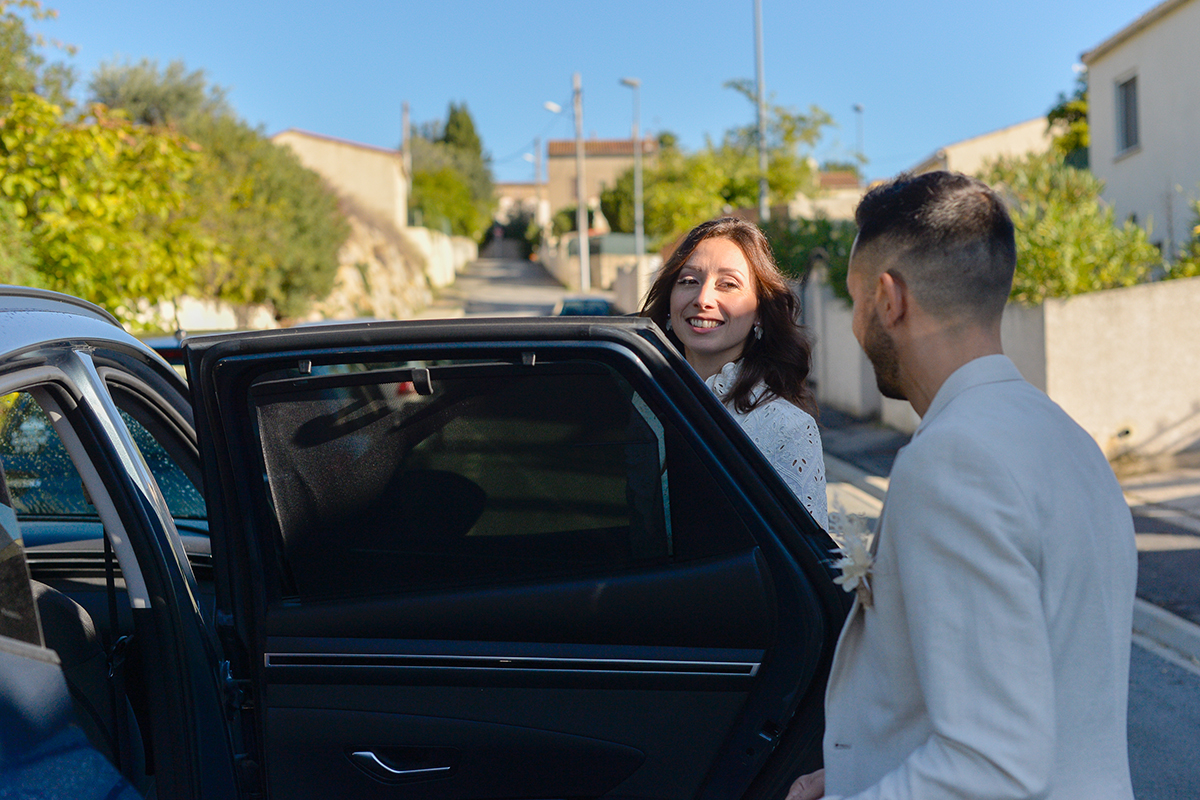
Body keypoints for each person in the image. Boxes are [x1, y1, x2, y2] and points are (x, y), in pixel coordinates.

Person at [788, 171, 1137, 799]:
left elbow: (990, 765)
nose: (854, 327)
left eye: (855, 301)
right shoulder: (1071, 442)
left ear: (889, 300)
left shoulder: (952, 460)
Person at [641, 216, 827, 529]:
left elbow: (804, 567)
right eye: (688, 281)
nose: (702, 299)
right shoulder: (639, 400)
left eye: (728, 284)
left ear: (760, 313)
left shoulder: (788, 429)